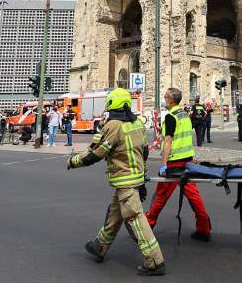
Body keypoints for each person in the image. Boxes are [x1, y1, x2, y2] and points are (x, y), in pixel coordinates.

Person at [67, 89, 165, 276]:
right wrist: (142, 179)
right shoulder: (137, 123)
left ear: (112, 103)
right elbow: (144, 152)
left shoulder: (113, 125)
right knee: (115, 213)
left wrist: (73, 161)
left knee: (135, 218)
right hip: (135, 176)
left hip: (124, 179)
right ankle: (100, 245)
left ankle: (154, 261)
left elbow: (95, 153)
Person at [146, 88, 211, 242]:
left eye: (165, 96)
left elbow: (168, 141)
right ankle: (204, 228)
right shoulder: (184, 115)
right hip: (188, 160)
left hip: (175, 161)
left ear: (171, 99)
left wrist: (164, 163)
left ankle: (147, 226)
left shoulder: (171, 116)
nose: (164, 98)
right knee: (194, 196)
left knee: (161, 195)